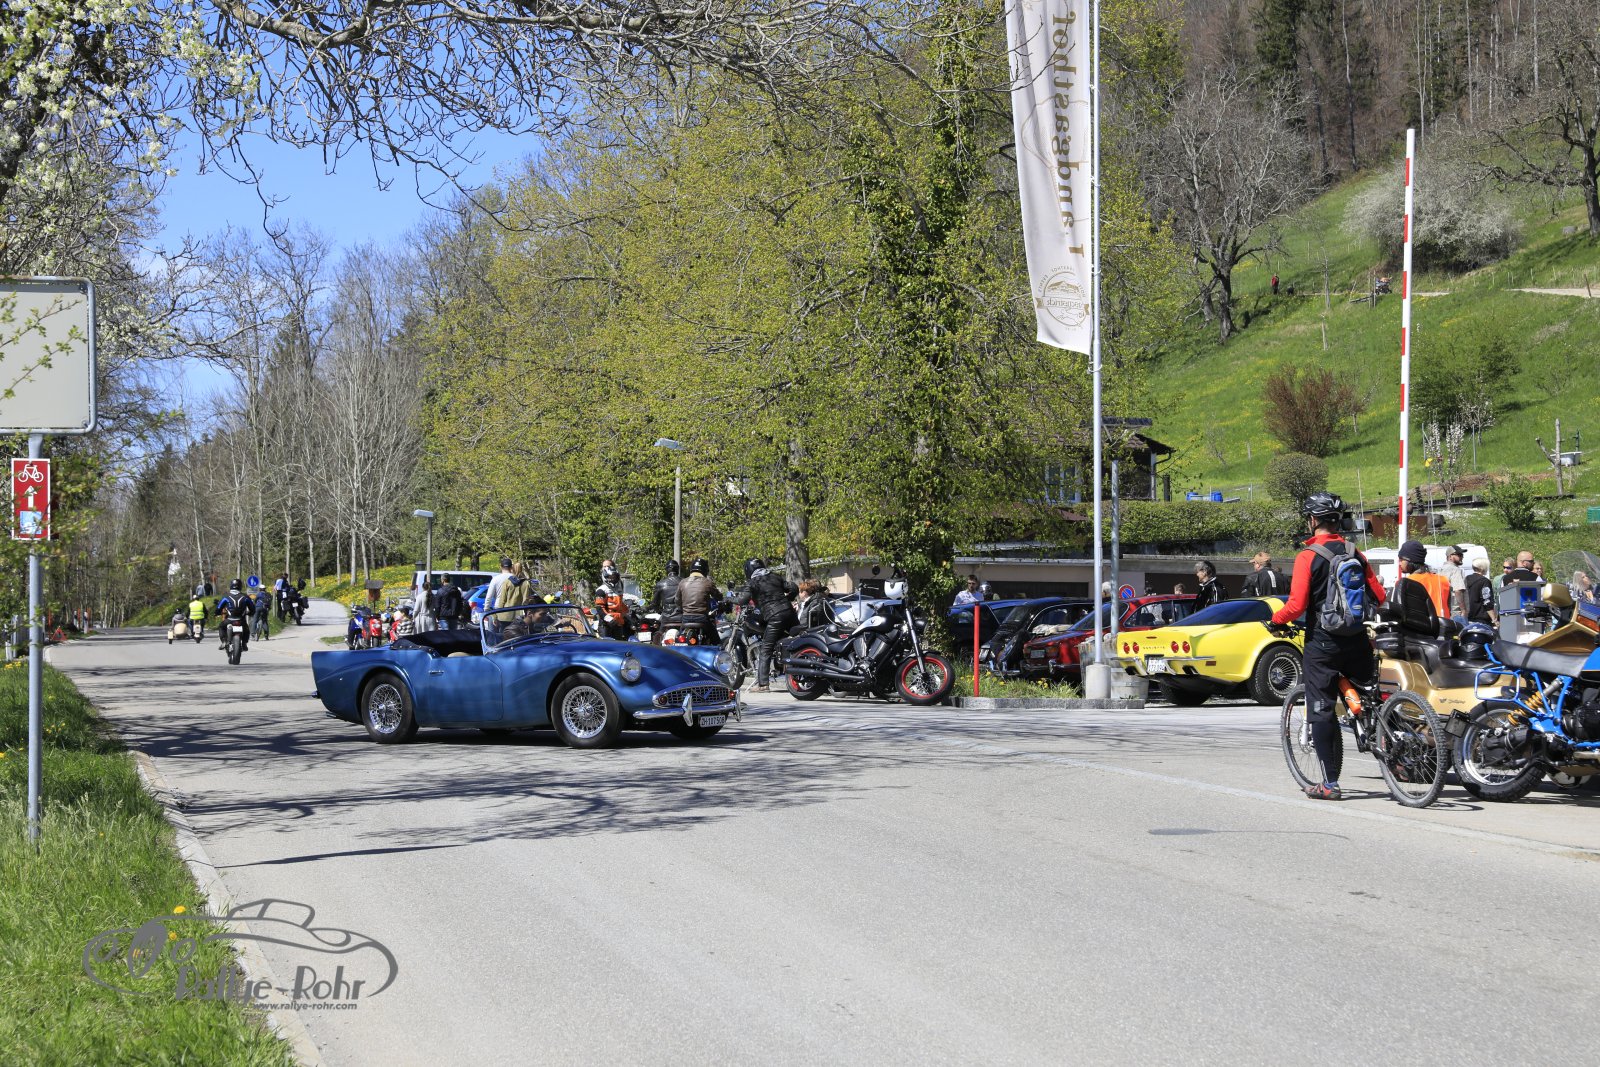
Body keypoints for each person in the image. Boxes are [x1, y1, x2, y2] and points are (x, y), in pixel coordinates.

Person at [1270, 493, 1387, 801]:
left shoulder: (1307, 556)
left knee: (1321, 709)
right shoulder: (1354, 552)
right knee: (1372, 698)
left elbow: (1296, 605)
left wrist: (1276, 620)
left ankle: (1330, 784)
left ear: (1313, 521)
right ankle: (1395, 752)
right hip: (1357, 639)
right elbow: (1379, 595)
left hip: (1323, 643)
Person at [737, 558, 798, 693]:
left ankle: (763, 684)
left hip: (775, 616)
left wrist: (729, 599)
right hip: (790, 613)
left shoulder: (753, 582)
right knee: (800, 641)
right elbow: (793, 587)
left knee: (766, 649)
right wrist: (787, 599)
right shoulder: (775, 577)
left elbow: (742, 600)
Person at [1397, 540, 1452, 619]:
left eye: (1401, 560)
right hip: (1445, 624)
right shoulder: (1443, 580)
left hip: (1422, 625)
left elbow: (1401, 611)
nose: (1399, 563)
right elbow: (1448, 607)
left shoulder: (1406, 583)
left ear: (1411, 561)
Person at [674, 557, 720, 638]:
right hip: (702, 618)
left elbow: (677, 600)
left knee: (679, 640)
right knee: (716, 641)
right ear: (705, 570)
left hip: (686, 619)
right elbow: (718, 597)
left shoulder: (682, 582)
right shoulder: (708, 582)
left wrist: (683, 609)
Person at [594, 563, 631, 639]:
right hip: (606, 624)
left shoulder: (619, 588)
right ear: (605, 577)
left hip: (618, 623)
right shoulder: (601, 590)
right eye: (610, 577)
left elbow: (620, 604)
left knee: (619, 644)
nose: (612, 579)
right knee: (607, 644)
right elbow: (599, 608)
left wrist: (627, 613)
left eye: (614, 576)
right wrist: (609, 619)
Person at [215, 579, 254, 652]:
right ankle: (244, 643)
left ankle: (224, 642)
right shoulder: (245, 597)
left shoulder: (226, 597)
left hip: (229, 620)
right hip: (241, 620)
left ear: (231, 586)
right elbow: (252, 607)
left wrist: (217, 613)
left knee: (221, 627)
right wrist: (250, 613)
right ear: (240, 586)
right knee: (246, 629)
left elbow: (218, 608)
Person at [1438, 545, 1469, 617]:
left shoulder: (1441, 570)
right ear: (1450, 556)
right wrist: (1463, 610)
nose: (1462, 557)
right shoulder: (1455, 570)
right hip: (1457, 612)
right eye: (1459, 555)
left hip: (1445, 610)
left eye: (1462, 555)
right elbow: (1458, 591)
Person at [1465, 558, 1496, 625]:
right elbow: (1487, 601)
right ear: (1483, 568)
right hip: (1481, 619)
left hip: (1467, 618)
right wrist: (1494, 619)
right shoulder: (1484, 581)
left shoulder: (1466, 579)